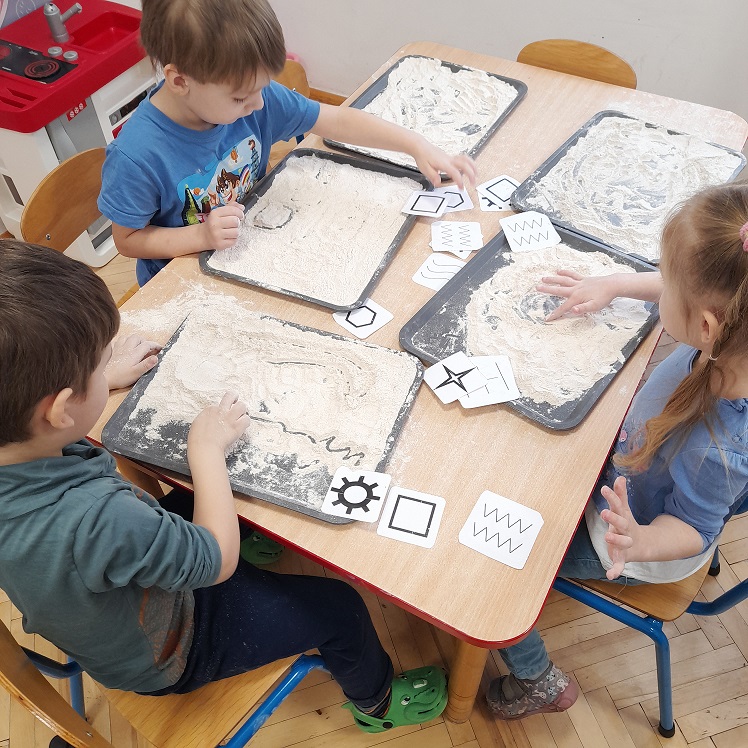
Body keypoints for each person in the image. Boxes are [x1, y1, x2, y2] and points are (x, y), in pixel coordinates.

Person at [0, 239, 447, 734]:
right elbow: (216, 560)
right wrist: (206, 451)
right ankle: (377, 703)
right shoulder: (97, 519)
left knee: (214, 492)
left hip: (107, 602)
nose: (106, 370)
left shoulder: (20, 446)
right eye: (99, 367)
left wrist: (98, 384)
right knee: (341, 608)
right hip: (172, 647)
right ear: (60, 409)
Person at [486, 183, 748, 719]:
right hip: (626, 472)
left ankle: (537, 679)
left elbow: (694, 527)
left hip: (628, 541)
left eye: (666, 282)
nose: (661, 285)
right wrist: (616, 284)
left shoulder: (721, 447)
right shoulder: (730, 334)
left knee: (493, 565)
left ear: (706, 325)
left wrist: (640, 540)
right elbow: (689, 287)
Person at [98, 0, 477, 287]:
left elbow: (336, 119)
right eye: (241, 97)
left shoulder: (252, 96)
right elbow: (128, 240)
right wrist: (198, 235)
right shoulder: (136, 156)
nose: (258, 105)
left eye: (262, 88)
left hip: (250, 246)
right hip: (183, 281)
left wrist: (415, 144)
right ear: (180, 81)